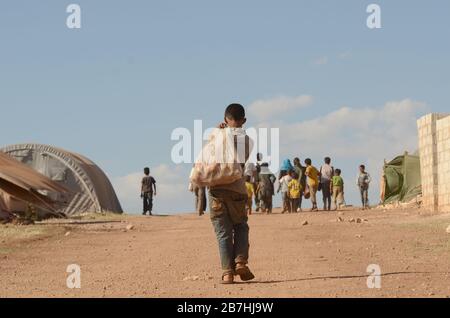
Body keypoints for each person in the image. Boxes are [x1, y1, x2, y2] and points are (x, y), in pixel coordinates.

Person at [208, 103, 255, 284]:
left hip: (216, 190)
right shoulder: (248, 141)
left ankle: (227, 273)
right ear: (244, 120)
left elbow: (209, 155)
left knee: (223, 232)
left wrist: (218, 131)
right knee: (240, 226)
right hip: (237, 189)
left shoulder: (216, 136)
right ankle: (241, 261)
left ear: (226, 119)